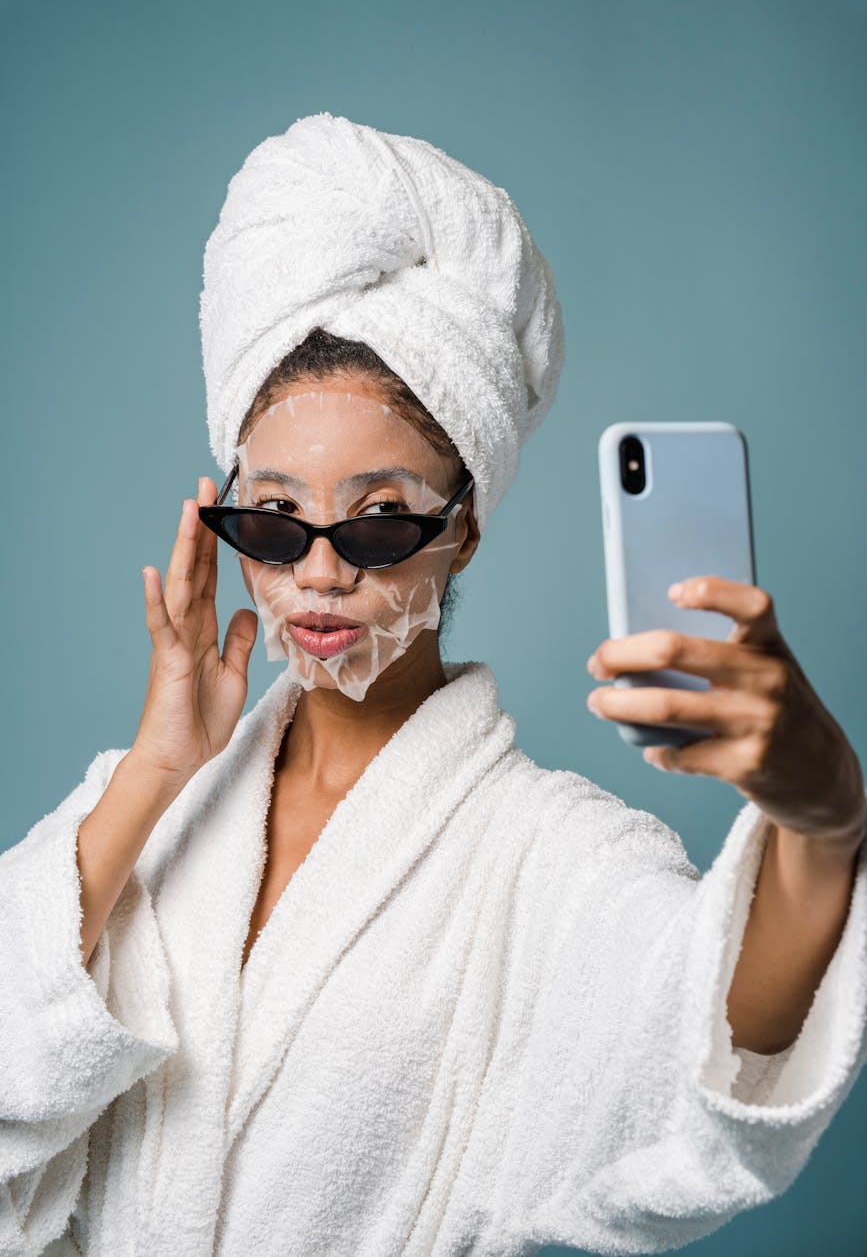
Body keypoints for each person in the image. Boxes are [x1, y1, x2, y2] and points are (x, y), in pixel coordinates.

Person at [2, 118, 866, 1257]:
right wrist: (161, 768)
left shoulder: (543, 851)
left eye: (377, 519)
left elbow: (695, 1052)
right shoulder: (146, 804)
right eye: (271, 519)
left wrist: (829, 822)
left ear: (461, 531)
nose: (315, 570)